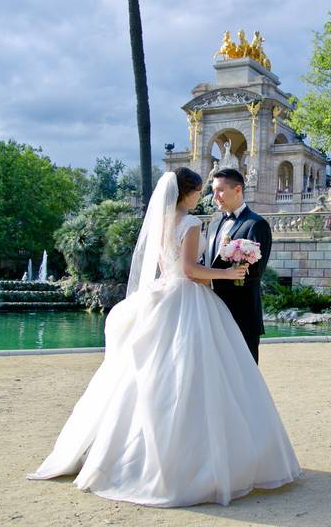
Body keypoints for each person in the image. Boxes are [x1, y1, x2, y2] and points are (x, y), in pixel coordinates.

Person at [28, 168, 300, 507]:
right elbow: (190, 270)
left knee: (165, 379)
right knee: (193, 379)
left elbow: (183, 268)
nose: (206, 196)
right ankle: (195, 461)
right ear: (187, 192)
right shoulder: (195, 224)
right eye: (202, 190)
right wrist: (227, 272)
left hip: (175, 298)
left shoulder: (166, 222)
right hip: (191, 299)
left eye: (214, 190)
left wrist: (222, 274)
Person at [203, 168, 272, 363]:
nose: (214, 196)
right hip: (212, 313)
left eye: (220, 190)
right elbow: (206, 262)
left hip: (243, 316)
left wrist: (227, 274)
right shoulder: (213, 225)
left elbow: (255, 273)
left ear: (238, 189)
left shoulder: (256, 224)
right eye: (213, 190)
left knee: (246, 377)